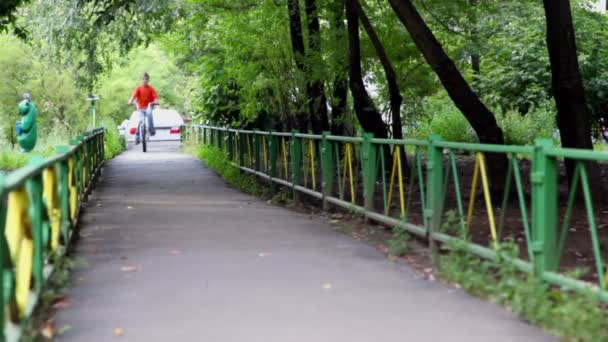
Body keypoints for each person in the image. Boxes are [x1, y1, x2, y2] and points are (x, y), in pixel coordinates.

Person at [128, 72, 158, 143]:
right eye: (143, 79)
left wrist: (155, 102)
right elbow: (133, 96)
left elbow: (155, 97)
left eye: (146, 79)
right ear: (141, 80)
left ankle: (151, 130)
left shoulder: (151, 89)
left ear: (148, 80)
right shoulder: (138, 88)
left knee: (150, 114)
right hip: (140, 108)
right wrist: (130, 101)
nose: (145, 80)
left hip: (148, 107)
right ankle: (137, 136)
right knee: (141, 121)